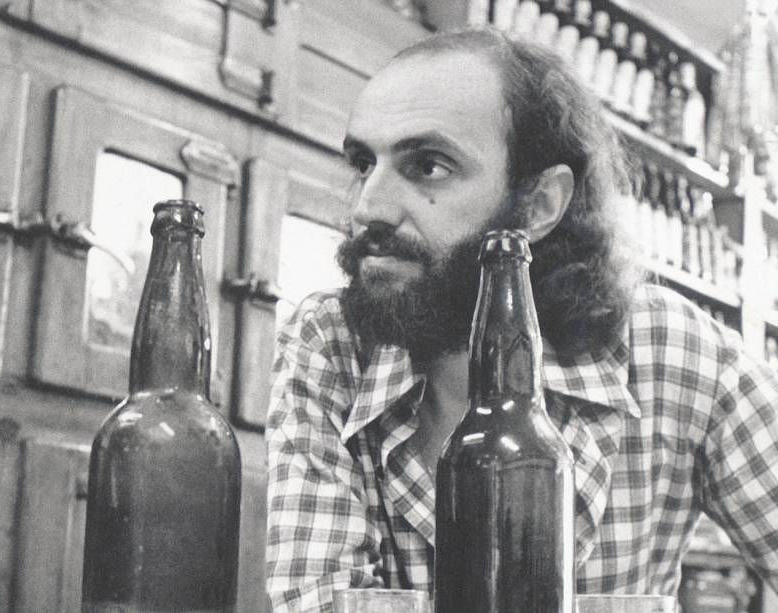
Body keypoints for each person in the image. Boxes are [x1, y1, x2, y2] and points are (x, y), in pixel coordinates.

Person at [265, 26, 778, 612]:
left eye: (428, 166)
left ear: (539, 204)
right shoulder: (329, 347)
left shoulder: (672, 352)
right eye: (363, 163)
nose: (367, 208)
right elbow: (314, 603)